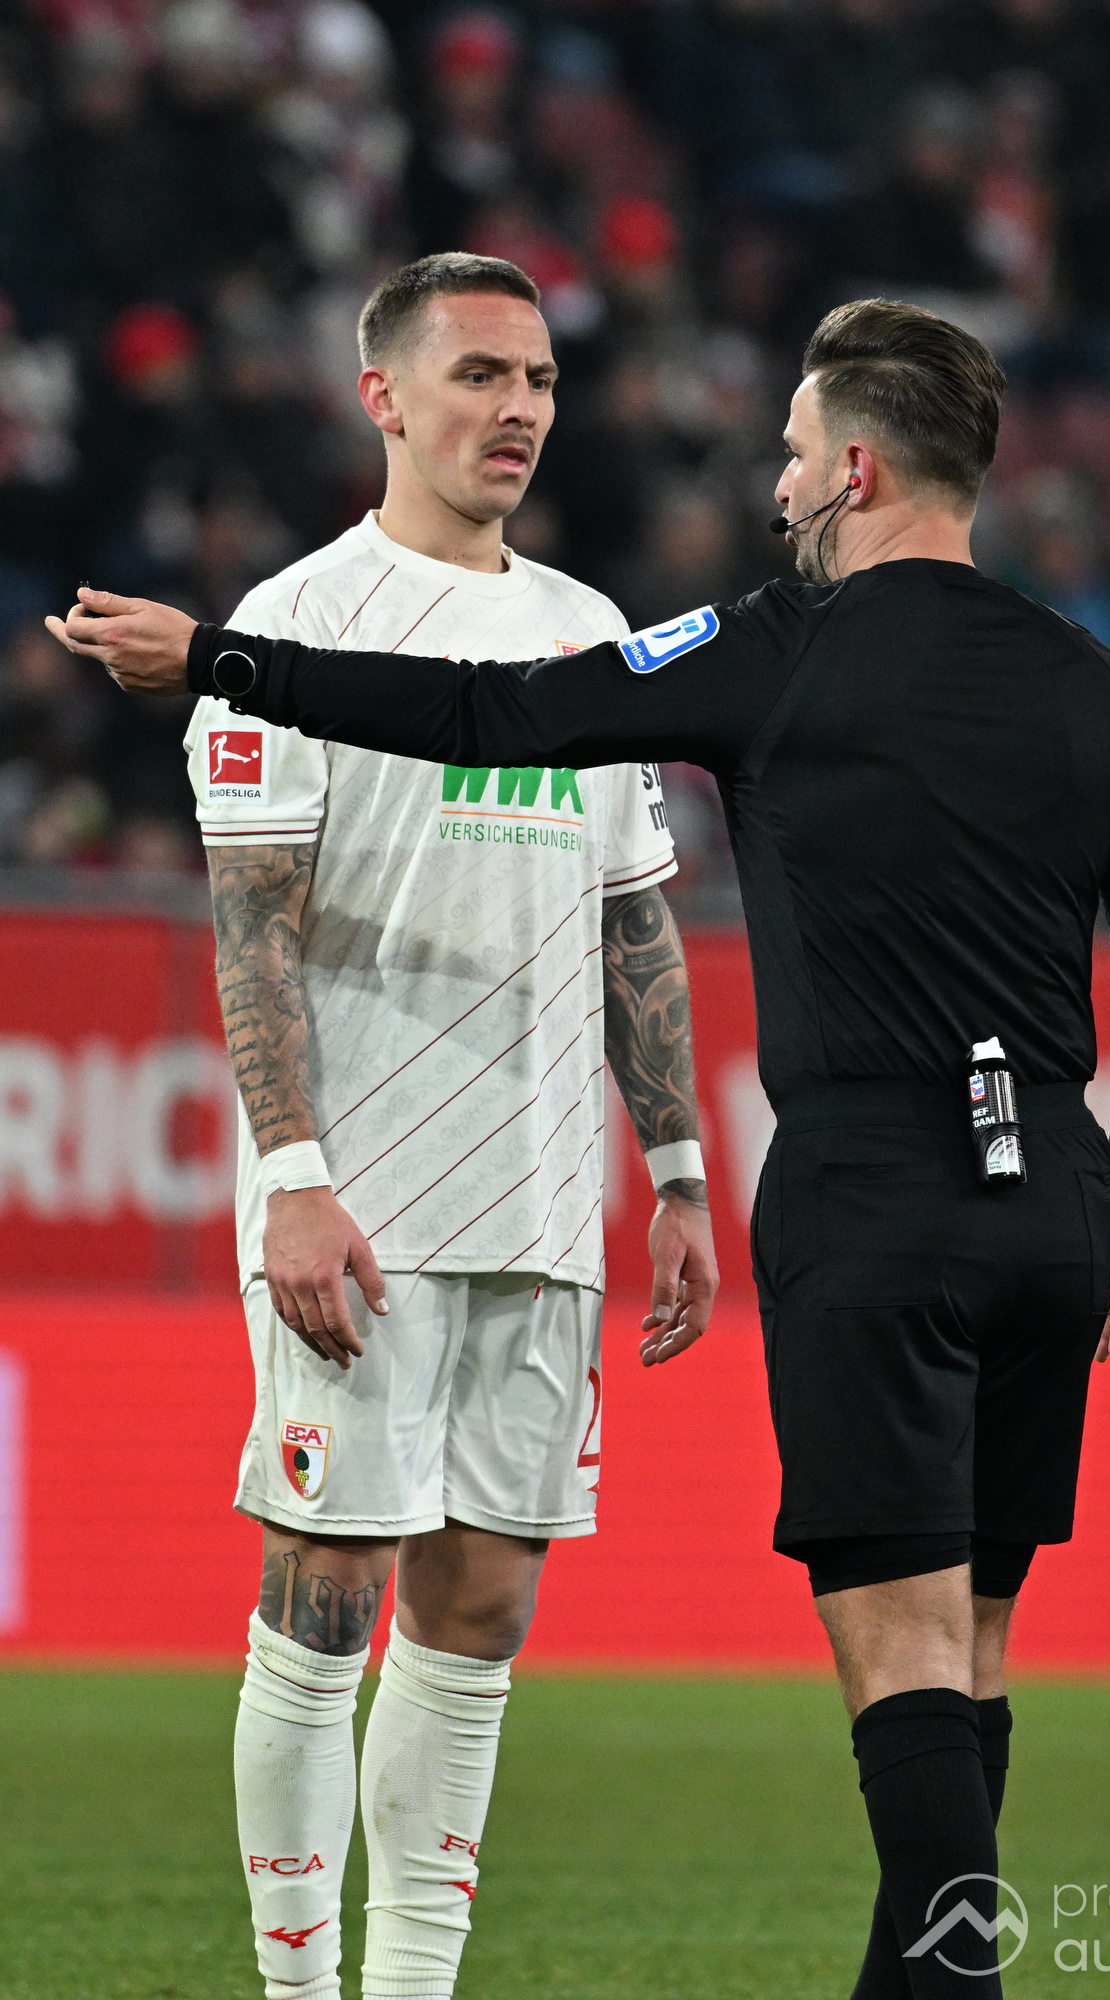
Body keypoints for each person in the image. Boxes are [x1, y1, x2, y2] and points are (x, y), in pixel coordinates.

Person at [51, 297, 1110, 1999]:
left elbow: (500, 718)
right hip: (1050, 1195)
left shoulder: (770, 643)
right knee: (973, 1642)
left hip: (870, 1193)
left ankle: (949, 1981)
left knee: (897, 1651)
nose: (775, 486)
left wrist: (222, 660)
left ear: (856, 469)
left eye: (793, 456)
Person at [57, 249, 719, 2000]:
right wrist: (291, 1179)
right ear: (383, 397)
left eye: (540, 380)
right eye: (480, 374)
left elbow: (633, 917)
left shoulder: (589, 633)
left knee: (482, 1612)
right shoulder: (292, 629)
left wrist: (673, 1171)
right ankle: (299, 1991)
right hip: (365, 1207)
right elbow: (253, 931)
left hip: (541, 1199)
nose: (518, 410)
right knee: (326, 1598)